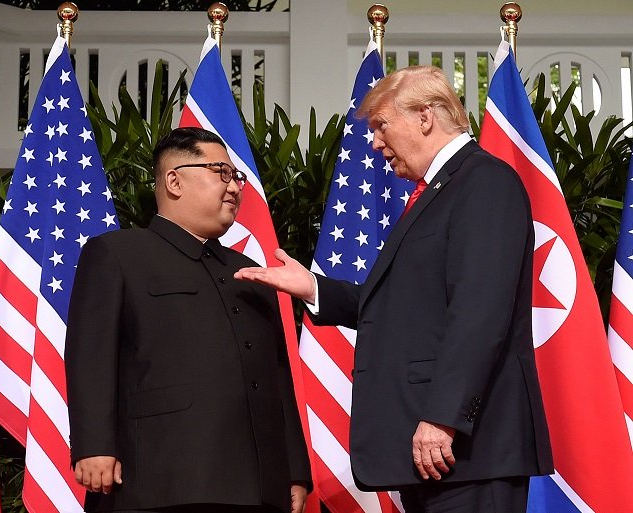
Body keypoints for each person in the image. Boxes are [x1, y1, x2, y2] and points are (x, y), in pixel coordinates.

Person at [234, 66, 553, 513]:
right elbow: (407, 308)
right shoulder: (437, 191)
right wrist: (312, 288)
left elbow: (480, 312)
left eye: (382, 126)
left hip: (467, 449)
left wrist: (442, 417)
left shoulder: (484, 182)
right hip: (435, 453)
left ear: (425, 117)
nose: (376, 142)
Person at [65, 127, 311, 513]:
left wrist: (295, 469)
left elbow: (278, 377)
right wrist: (94, 446)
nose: (234, 187)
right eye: (220, 173)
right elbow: (91, 358)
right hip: (161, 479)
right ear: (174, 181)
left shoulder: (250, 271)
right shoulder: (118, 254)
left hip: (259, 485)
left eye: (237, 177)